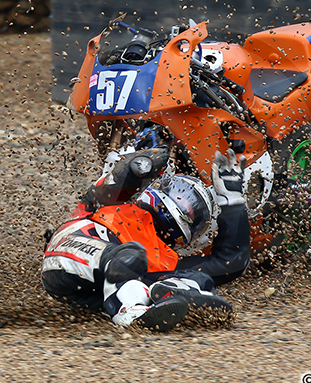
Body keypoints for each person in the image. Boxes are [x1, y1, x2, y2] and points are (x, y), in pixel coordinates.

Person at [41, 135, 250, 332]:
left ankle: (171, 295)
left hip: (96, 293)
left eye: (195, 212)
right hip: (68, 250)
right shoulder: (114, 202)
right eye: (183, 197)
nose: (187, 209)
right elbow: (124, 173)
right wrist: (156, 154)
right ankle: (130, 314)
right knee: (130, 256)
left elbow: (232, 262)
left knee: (201, 279)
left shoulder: (168, 258)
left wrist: (232, 201)